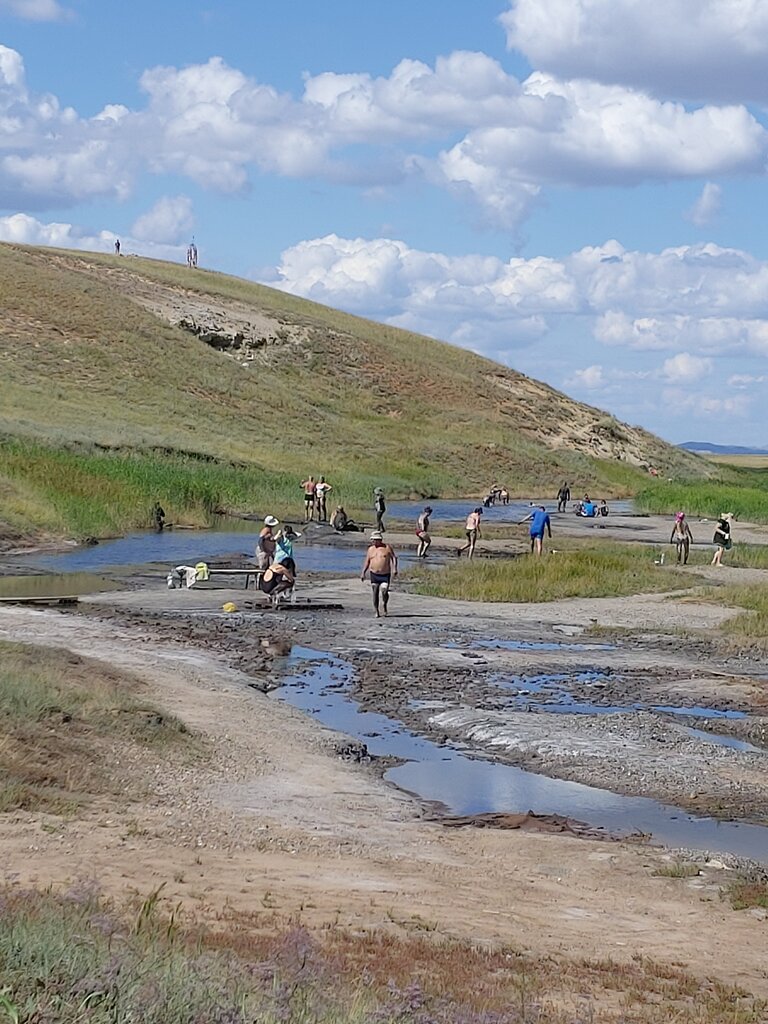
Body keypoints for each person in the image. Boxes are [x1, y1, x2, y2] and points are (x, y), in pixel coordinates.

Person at [361, 531, 398, 618]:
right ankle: (376, 611)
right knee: (375, 592)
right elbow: (367, 561)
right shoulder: (370, 549)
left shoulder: (387, 547)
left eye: (374, 540)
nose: (372, 541)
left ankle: (384, 604)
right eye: (372, 540)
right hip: (374, 574)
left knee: (384, 591)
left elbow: (394, 558)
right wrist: (363, 572)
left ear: (379, 540)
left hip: (385, 574)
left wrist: (394, 568)